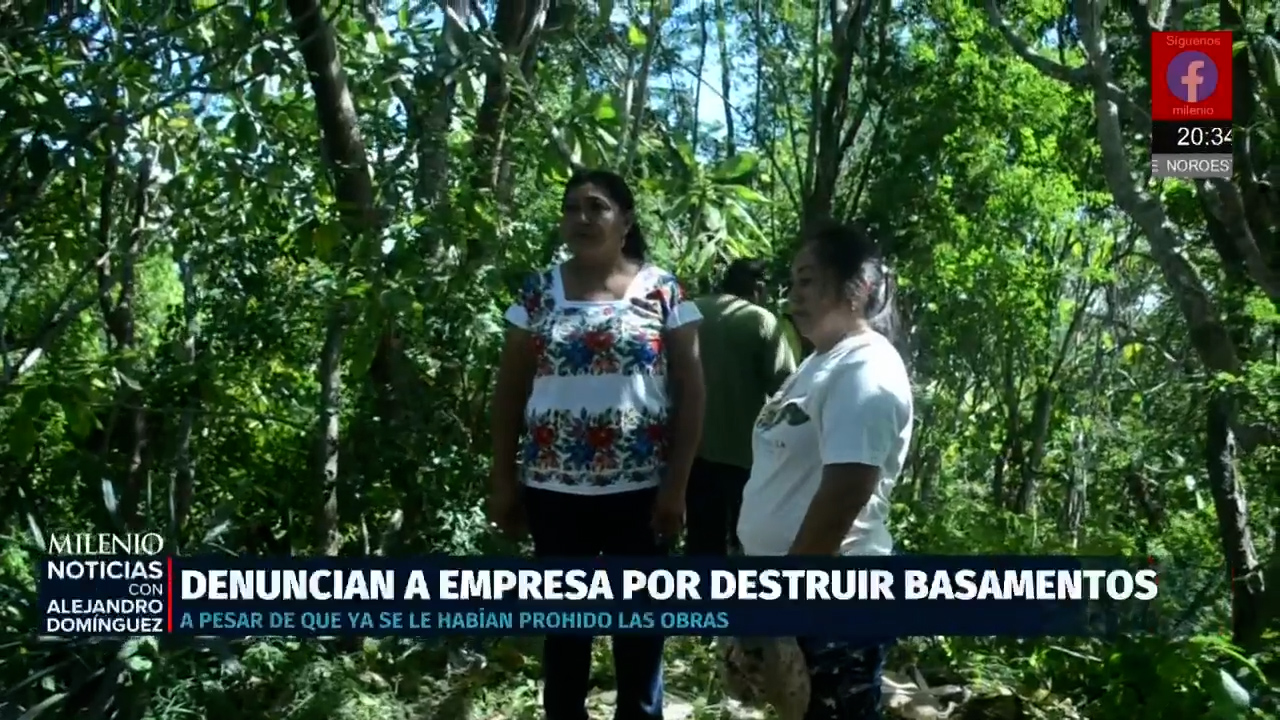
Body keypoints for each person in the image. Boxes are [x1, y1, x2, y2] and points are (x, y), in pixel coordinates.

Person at [488, 169, 706, 720]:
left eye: (596, 207)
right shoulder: (539, 291)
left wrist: (677, 487)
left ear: (626, 220)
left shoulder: (663, 289)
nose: (581, 219)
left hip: (641, 491)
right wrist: (503, 479)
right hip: (552, 491)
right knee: (565, 635)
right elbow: (510, 390)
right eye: (572, 208)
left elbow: (693, 391)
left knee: (639, 632)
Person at [736, 221, 913, 719]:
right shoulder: (817, 363)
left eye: (808, 281)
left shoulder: (866, 366)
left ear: (856, 288)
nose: (793, 296)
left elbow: (847, 487)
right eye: (791, 283)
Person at [686, 259, 796, 557]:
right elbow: (788, 391)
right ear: (758, 288)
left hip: (687, 454)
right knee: (742, 543)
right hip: (742, 457)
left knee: (699, 541)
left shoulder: (687, 312)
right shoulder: (760, 321)